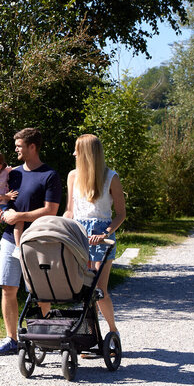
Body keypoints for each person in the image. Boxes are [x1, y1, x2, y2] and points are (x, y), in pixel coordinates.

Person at [0, 128, 62, 355]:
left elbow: (51, 211)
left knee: (41, 290)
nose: (16, 149)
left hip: (39, 241)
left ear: (32, 147)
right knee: (8, 288)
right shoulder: (13, 174)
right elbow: (3, 199)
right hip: (10, 238)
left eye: (19, 146)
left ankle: (47, 336)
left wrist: (19, 217)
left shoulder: (50, 175)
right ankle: (12, 339)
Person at [63, 133, 125, 343]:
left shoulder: (110, 177)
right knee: (81, 290)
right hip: (78, 233)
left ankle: (112, 330)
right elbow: (70, 210)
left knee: (98, 289)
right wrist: (64, 225)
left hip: (101, 235)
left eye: (76, 150)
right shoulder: (72, 176)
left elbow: (121, 214)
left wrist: (105, 234)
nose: (73, 154)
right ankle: (90, 336)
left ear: (87, 154)